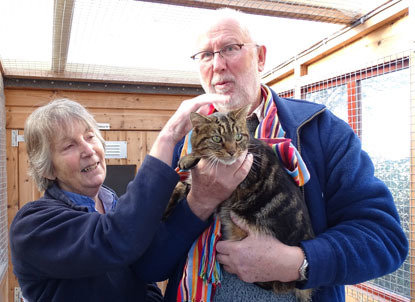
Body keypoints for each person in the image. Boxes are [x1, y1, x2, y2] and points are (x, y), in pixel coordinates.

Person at [164, 8, 409, 302]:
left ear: (261, 57)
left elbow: (385, 240)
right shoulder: (185, 144)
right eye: (205, 54)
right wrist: (198, 202)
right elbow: (151, 263)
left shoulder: (322, 131)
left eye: (230, 48)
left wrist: (297, 262)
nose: (217, 64)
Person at [9, 97, 253, 301]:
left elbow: (147, 270)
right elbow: (116, 239)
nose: (88, 150)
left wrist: (200, 202)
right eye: (69, 146)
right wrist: (168, 136)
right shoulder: (32, 226)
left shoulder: (114, 205)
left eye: (90, 136)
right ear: (47, 169)